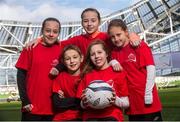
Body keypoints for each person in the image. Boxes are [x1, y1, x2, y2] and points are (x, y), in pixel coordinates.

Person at [26, 8, 141, 75]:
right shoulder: (77, 40)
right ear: (82, 23)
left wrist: (132, 34)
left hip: (108, 77)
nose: (89, 24)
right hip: (86, 79)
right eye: (86, 21)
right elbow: (56, 42)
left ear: (99, 22)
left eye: (93, 21)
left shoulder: (108, 37)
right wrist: (40, 38)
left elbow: (122, 36)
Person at [108, 19, 162, 121]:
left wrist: (148, 94)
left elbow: (151, 69)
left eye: (118, 35)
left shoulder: (139, 45)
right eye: (112, 37)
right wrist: (112, 62)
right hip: (132, 105)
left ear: (126, 32)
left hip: (147, 103)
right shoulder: (114, 52)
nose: (116, 39)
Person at [15, 17, 62, 121]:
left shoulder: (62, 50)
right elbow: (20, 76)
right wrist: (25, 101)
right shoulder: (30, 48)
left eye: (55, 31)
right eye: (48, 30)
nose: (51, 34)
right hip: (32, 108)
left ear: (58, 33)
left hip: (54, 109)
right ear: (42, 31)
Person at [76, 40, 129, 121]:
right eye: (93, 54)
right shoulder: (87, 75)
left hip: (112, 116)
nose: (96, 56)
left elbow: (126, 104)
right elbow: (80, 104)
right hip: (90, 117)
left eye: (99, 52)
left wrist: (115, 100)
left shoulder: (118, 72)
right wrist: (84, 103)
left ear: (106, 53)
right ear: (90, 58)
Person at [52, 45, 83, 121]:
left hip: (82, 117)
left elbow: (88, 103)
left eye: (75, 57)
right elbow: (57, 103)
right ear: (63, 61)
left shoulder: (87, 76)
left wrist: (66, 100)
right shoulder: (59, 77)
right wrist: (78, 100)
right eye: (67, 59)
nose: (72, 61)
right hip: (62, 117)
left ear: (81, 58)